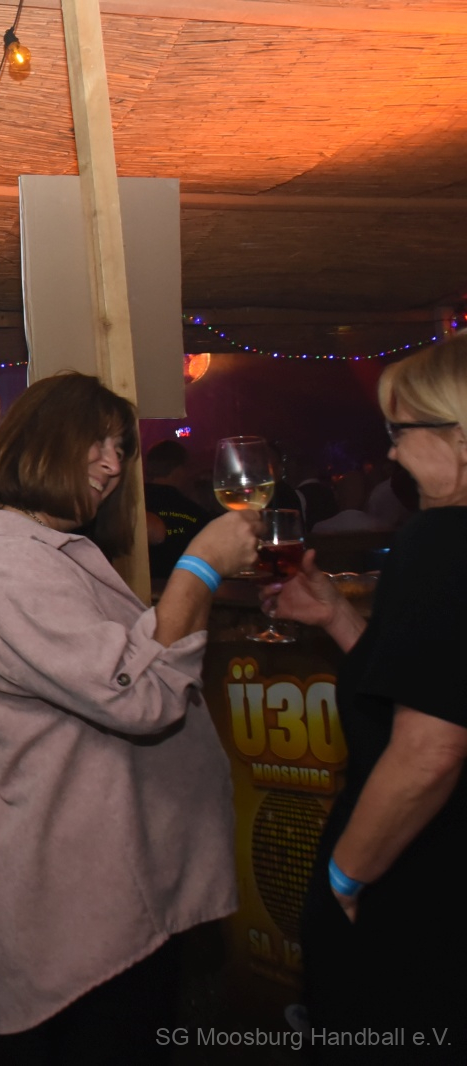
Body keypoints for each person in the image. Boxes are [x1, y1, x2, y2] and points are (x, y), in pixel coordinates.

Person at [0, 372, 259, 1063]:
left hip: (103, 880)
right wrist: (201, 567)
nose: (113, 464)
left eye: (121, 449)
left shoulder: (41, 552)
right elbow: (139, 695)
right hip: (79, 895)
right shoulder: (8, 568)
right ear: (43, 441)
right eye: (98, 442)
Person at [263, 337, 467, 1060]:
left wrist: (344, 879)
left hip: (422, 882)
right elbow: (440, 682)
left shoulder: (441, 540)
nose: (391, 451)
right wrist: (339, 620)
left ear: (460, 436)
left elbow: (432, 747)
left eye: (401, 430)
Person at [143, 440, 207, 580]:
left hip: (135, 588)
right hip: (186, 586)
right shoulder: (197, 513)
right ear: (179, 471)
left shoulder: (129, 506)